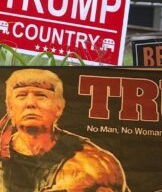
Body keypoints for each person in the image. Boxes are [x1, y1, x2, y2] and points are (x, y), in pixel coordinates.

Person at [0, 69, 130, 192]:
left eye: (41, 96)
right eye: (21, 96)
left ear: (59, 107)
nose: (30, 103)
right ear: (10, 108)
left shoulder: (92, 165)